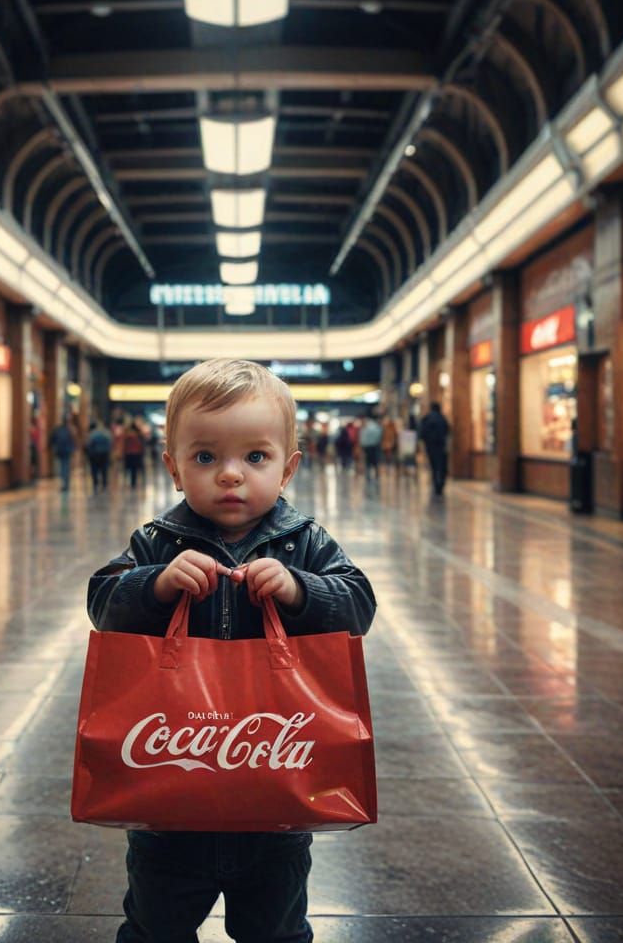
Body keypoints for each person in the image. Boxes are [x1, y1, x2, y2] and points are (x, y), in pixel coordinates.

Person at [87, 359, 377, 943]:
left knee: (276, 929)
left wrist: (301, 590)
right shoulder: (156, 542)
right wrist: (155, 584)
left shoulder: (306, 543)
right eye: (204, 457)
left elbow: (359, 605)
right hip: (169, 808)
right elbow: (102, 602)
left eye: (256, 457)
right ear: (172, 468)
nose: (230, 475)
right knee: (154, 928)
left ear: (288, 468)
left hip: (276, 807)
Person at [418, 401, 450, 496]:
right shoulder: (442, 418)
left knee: (434, 466)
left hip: (430, 447)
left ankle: (436, 484)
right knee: (441, 466)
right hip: (441, 446)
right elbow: (447, 431)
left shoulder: (427, 419)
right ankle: (440, 484)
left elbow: (422, 433)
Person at [50, 415, 76, 492]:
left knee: (62, 466)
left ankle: (64, 483)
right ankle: (66, 483)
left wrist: (51, 447)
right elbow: (72, 440)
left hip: (60, 451)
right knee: (66, 466)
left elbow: (52, 439)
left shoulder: (57, 429)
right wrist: (73, 449)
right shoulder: (69, 430)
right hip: (67, 451)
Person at [86, 420, 112, 493]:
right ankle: (104, 484)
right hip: (104, 454)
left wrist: (89, 453)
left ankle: (95, 483)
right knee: (104, 470)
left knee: (95, 470)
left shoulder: (92, 434)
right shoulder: (106, 433)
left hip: (95, 455)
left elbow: (89, 445)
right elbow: (109, 444)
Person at [122, 419, 146, 488]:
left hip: (128, 453)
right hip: (137, 453)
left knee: (128, 468)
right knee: (135, 469)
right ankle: (134, 482)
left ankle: (128, 482)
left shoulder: (127, 435)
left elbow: (124, 445)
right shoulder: (139, 434)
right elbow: (141, 444)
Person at [359, 415, 382, 480]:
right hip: (372, 446)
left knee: (370, 461)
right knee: (372, 461)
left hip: (371, 446)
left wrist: (363, 444)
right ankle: (372, 475)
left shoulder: (369, 427)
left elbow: (364, 438)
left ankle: (371, 475)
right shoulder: (371, 426)